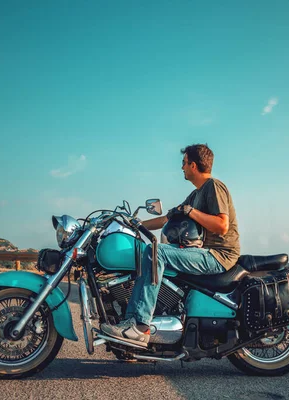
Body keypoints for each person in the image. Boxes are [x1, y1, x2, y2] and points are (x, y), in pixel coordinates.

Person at [100, 143, 241, 345]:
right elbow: (167, 219)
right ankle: (129, 321)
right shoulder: (195, 194)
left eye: (184, 163)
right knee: (147, 252)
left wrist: (191, 212)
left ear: (193, 165)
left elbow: (222, 225)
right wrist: (133, 224)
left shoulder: (214, 186)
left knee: (157, 252)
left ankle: (140, 325)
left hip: (219, 255)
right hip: (203, 251)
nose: (181, 167)